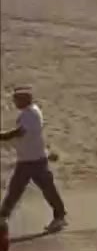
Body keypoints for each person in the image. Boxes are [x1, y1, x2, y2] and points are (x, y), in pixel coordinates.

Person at [0, 87, 68, 233]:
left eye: (16, 99)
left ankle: (59, 217)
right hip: (30, 158)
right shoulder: (29, 112)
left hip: (33, 161)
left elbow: (19, 132)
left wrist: (2, 136)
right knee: (22, 189)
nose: (14, 102)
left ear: (25, 100)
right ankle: (59, 216)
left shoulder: (30, 114)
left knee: (25, 189)